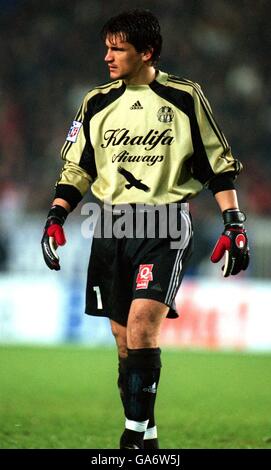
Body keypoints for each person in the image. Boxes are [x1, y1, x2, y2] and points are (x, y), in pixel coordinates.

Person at [41, 9, 250, 449]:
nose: (107, 57)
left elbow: (218, 164)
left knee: (141, 324)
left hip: (164, 223)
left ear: (146, 52)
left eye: (118, 49)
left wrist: (234, 223)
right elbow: (78, 167)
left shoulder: (184, 97)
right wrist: (57, 214)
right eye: (107, 47)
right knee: (122, 338)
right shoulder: (96, 102)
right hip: (112, 224)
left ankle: (132, 437)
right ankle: (149, 434)